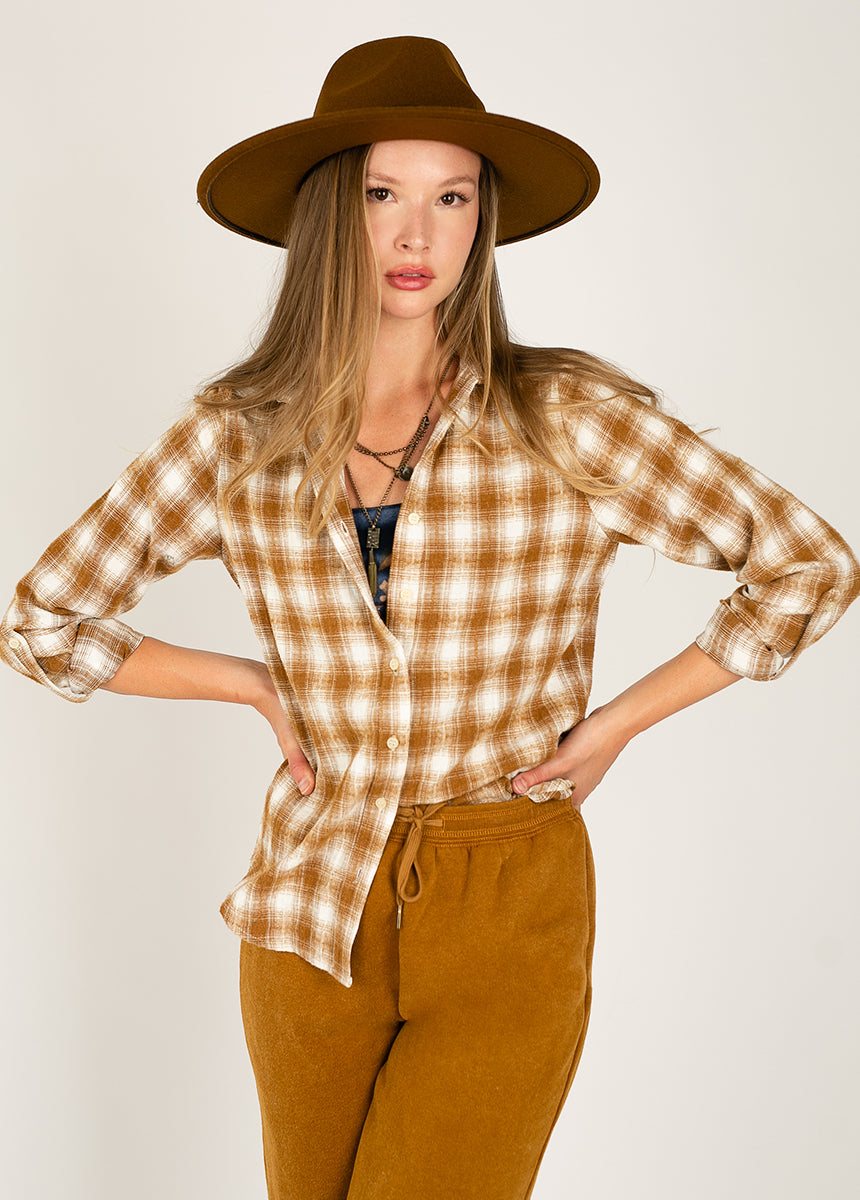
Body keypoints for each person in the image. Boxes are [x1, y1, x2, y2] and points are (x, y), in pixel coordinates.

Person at [1, 34, 857, 1200]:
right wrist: (250, 683)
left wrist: (611, 728)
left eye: (451, 198)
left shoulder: (562, 419)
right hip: (313, 905)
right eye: (382, 195)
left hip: (507, 891)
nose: (417, 235)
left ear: (480, 219)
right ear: (326, 213)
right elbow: (44, 620)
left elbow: (806, 566)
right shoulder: (236, 435)